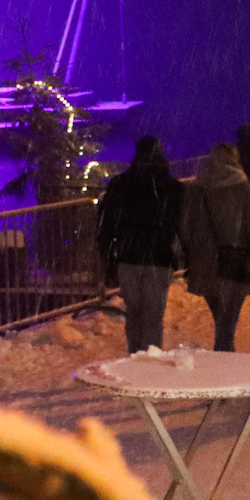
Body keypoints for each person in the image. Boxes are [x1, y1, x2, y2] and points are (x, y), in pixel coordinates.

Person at [95, 135, 183, 353]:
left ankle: (135, 354)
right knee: (153, 315)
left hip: (129, 257)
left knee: (134, 312)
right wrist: (181, 255)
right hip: (158, 258)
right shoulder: (173, 188)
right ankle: (150, 358)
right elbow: (182, 225)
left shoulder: (120, 184)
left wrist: (108, 258)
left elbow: (106, 225)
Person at [181, 142, 250, 352]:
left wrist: (194, 253)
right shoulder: (242, 186)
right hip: (234, 264)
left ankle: (223, 358)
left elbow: (185, 226)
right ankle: (224, 363)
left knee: (222, 322)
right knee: (227, 327)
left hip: (205, 265)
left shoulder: (196, 187)